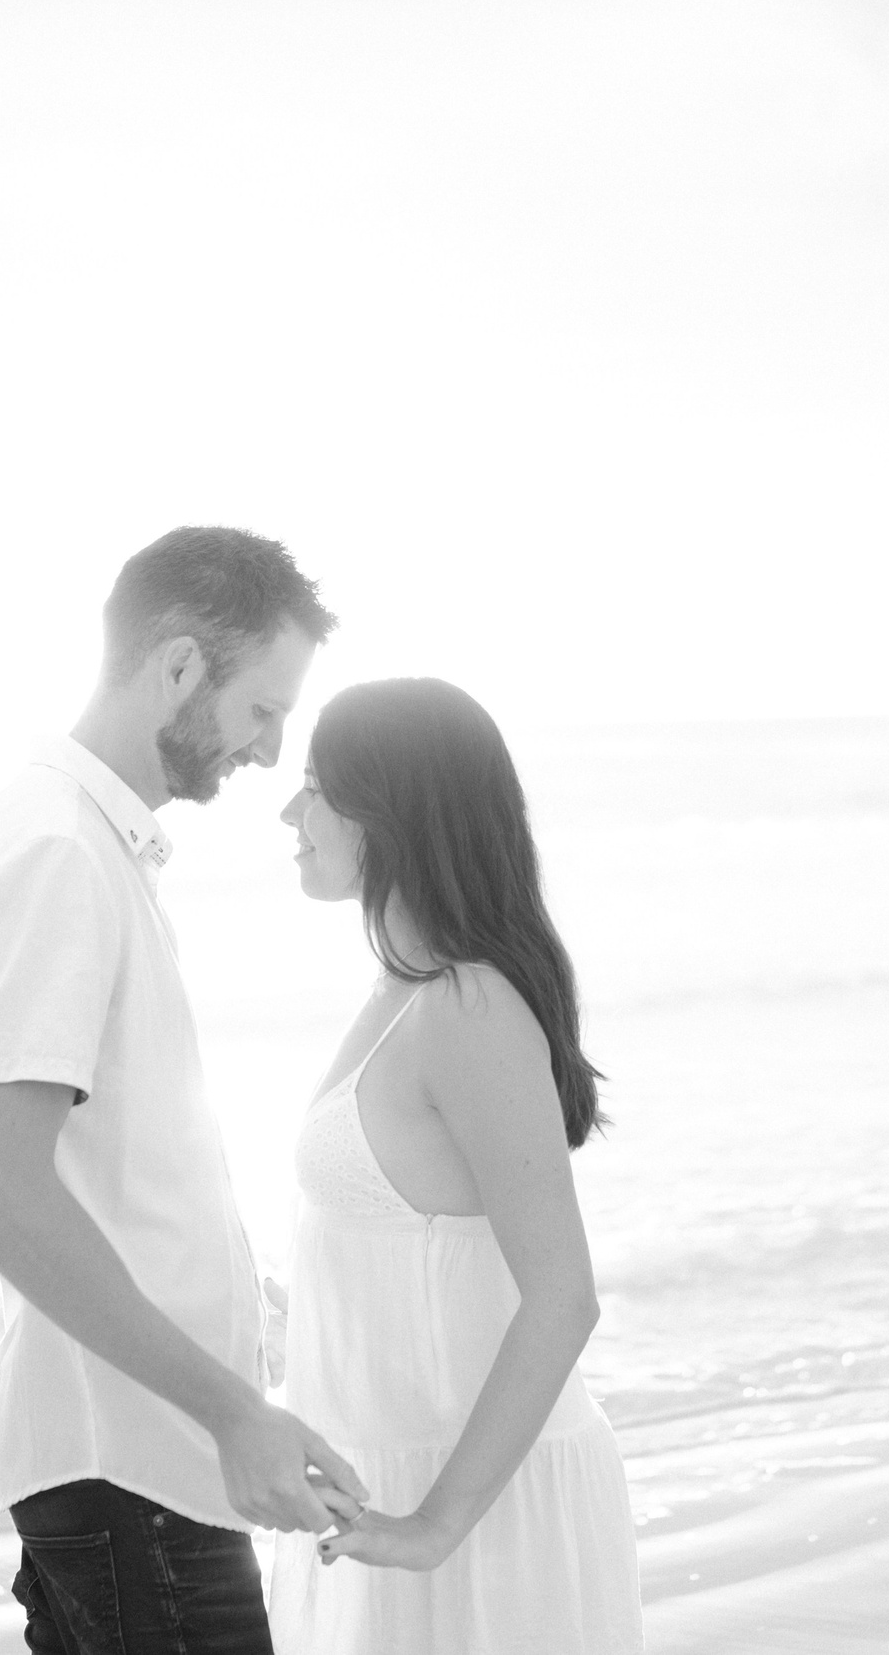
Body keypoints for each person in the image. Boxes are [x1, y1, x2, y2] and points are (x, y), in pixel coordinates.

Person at [0, 526, 367, 1654]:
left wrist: (235, 1302)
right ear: (177, 667)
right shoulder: (58, 859)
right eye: (262, 712)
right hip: (136, 1475)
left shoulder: (63, 842)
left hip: (123, 1466)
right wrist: (231, 1411)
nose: (269, 755)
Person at [268, 677, 645, 1654]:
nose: (287, 812)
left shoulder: (468, 1007)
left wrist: (436, 1525)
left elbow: (563, 1298)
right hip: (384, 1496)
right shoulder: (404, 984)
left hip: (472, 1515)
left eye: (315, 787)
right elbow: (392, 1252)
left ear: (390, 812)